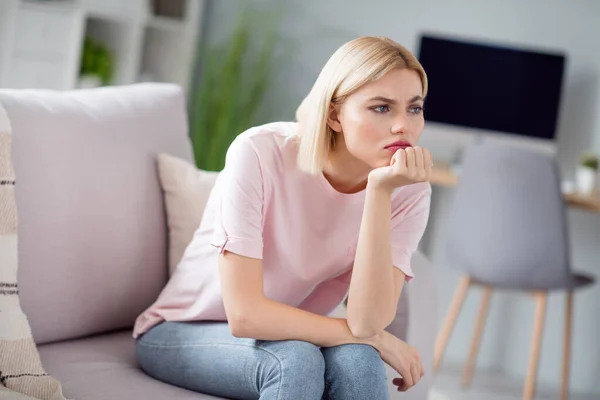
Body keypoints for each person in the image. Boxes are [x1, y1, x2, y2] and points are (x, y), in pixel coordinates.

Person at [133, 36, 433, 400]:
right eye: (382, 108)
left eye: (414, 108)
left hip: (296, 335)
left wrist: (380, 193)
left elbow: (367, 323)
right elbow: (245, 316)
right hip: (184, 329)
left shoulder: (408, 189)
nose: (403, 125)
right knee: (293, 359)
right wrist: (376, 338)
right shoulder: (259, 152)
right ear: (335, 114)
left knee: (360, 361)